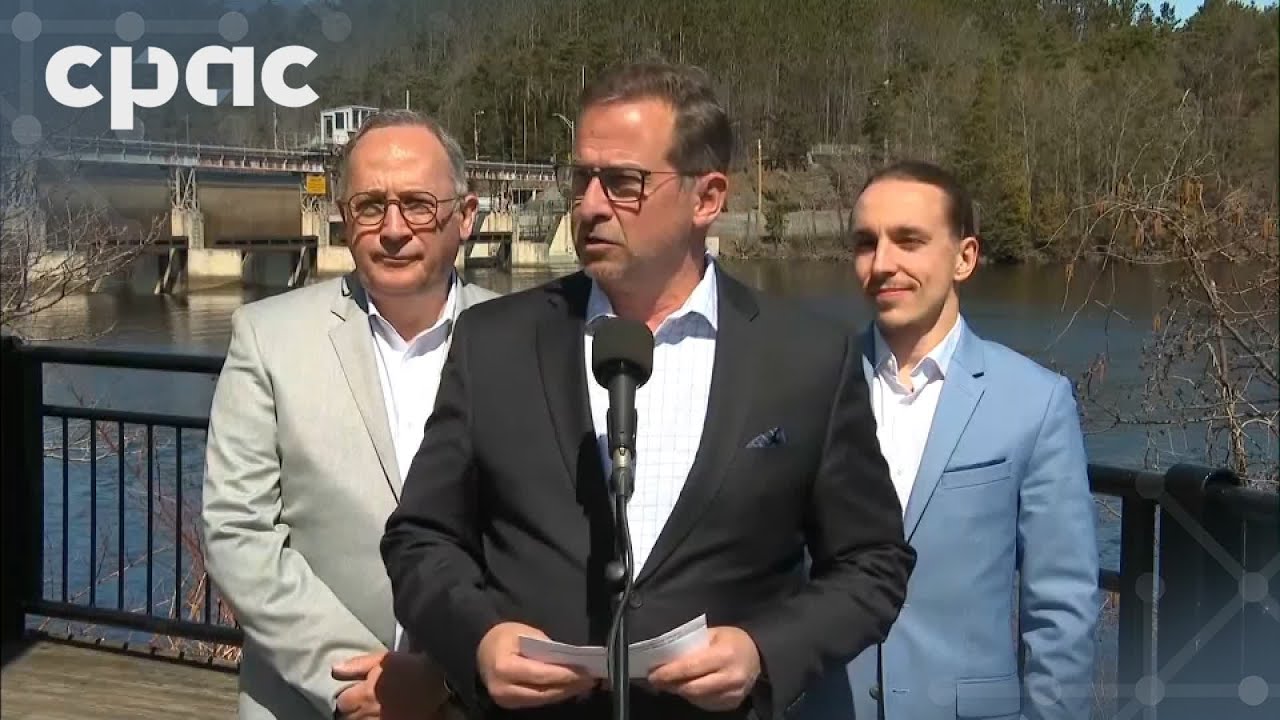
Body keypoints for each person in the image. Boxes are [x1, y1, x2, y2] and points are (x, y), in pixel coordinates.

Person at [380, 61, 916, 720]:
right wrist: (480, 641)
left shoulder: (808, 358)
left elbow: (872, 563)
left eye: (623, 182)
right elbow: (420, 539)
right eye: (582, 178)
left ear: (707, 198)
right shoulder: (493, 343)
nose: (590, 205)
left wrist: (763, 652)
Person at [201, 109, 497, 719]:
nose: (393, 229)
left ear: (465, 216)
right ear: (343, 216)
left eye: (418, 204)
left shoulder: (527, 341)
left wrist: (447, 674)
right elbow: (237, 530)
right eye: (370, 206)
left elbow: (551, 541)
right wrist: (355, 682)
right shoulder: (268, 337)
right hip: (313, 701)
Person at [799, 161, 1100, 720]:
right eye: (866, 243)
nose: (882, 263)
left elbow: (1061, 607)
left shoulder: (1035, 401)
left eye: (909, 240)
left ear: (965, 257)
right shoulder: (810, 387)